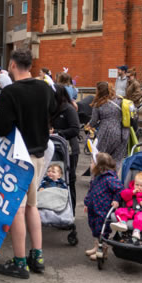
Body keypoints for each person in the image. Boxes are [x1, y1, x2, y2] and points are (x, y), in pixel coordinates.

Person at [0, 48, 57, 279]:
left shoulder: (10, 92)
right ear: (30, 65)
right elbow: (53, 111)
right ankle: (37, 256)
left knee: (17, 210)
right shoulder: (44, 88)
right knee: (32, 206)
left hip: (18, 157)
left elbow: (1, 128)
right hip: (39, 156)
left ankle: (20, 262)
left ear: (12, 65)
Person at [83, 153, 124, 260]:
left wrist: (116, 199)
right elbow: (91, 192)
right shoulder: (97, 178)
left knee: (102, 230)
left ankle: (103, 250)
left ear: (99, 166)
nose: (90, 165)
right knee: (94, 228)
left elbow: (119, 189)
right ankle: (97, 246)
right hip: (94, 208)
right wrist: (87, 203)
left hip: (103, 210)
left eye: (92, 163)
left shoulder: (109, 179)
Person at [51, 84, 80, 213]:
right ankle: (58, 211)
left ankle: (70, 213)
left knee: (69, 180)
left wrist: (57, 132)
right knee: (56, 179)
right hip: (55, 149)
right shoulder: (51, 109)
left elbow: (75, 129)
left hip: (69, 150)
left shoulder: (68, 109)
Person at [88, 82, 129, 170]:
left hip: (104, 132)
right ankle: (113, 178)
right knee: (116, 159)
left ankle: (99, 178)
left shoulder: (98, 104)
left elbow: (94, 121)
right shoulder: (120, 101)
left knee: (99, 157)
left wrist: (88, 125)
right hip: (121, 132)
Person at [110, 171, 142, 242]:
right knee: (120, 211)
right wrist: (131, 192)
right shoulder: (131, 191)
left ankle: (136, 231)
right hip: (130, 210)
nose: (139, 187)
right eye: (137, 185)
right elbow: (123, 195)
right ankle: (123, 223)